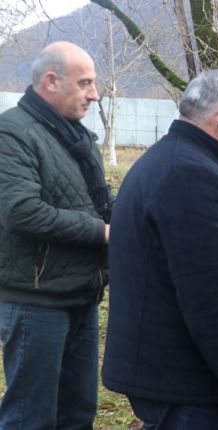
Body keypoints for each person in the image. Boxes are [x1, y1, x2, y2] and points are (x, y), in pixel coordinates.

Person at [102, 70, 218, 429]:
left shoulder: (174, 161)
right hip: (185, 382)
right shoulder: (191, 176)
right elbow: (211, 297)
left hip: (176, 375)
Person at [0, 41, 111, 429]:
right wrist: (103, 232)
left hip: (81, 295)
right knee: (31, 418)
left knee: (78, 416)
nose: (94, 94)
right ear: (51, 81)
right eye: (85, 83)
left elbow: (95, 202)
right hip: (36, 301)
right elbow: (22, 211)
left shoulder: (77, 138)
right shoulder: (11, 132)